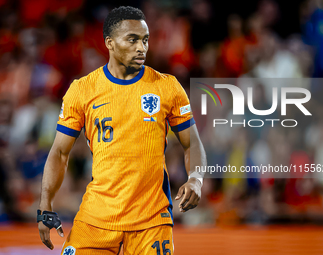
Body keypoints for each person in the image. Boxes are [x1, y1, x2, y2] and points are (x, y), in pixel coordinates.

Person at [38, 6, 206, 255]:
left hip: (151, 221)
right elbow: (60, 152)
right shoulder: (82, 90)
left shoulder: (168, 87)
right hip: (96, 219)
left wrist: (196, 179)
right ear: (110, 43)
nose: (142, 47)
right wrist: (45, 204)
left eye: (145, 40)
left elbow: (192, 143)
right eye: (133, 39)